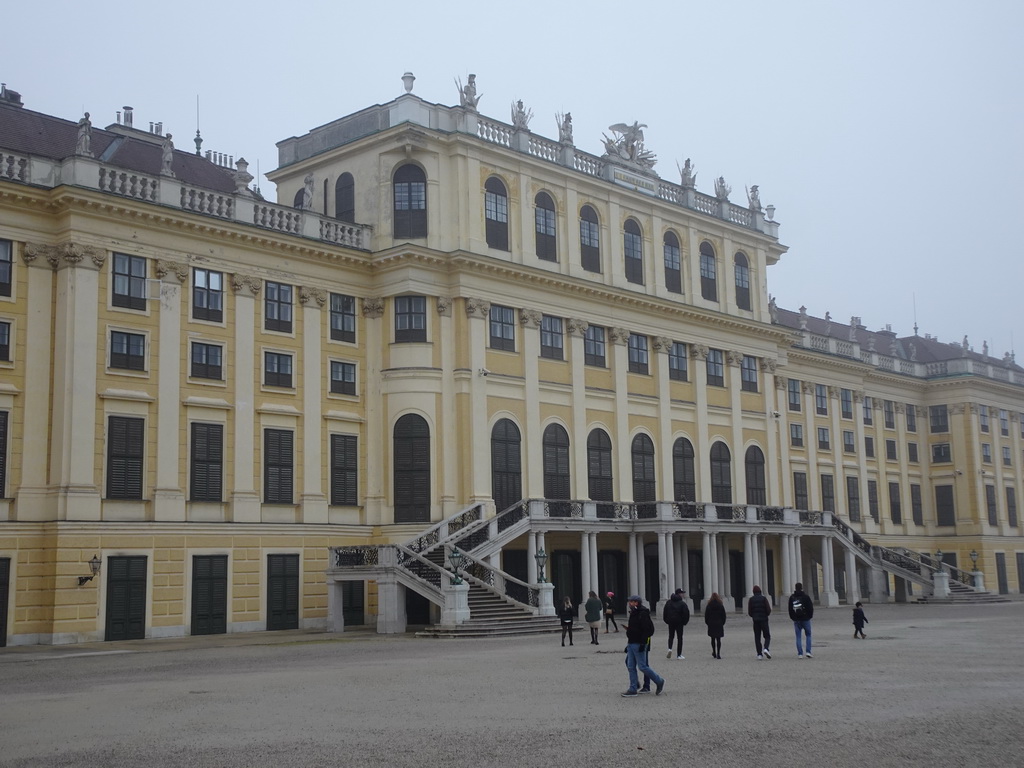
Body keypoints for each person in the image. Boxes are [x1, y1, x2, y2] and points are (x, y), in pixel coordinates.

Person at [621, 595, 665, 697]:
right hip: (632, 642)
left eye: (631, 602)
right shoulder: (634, 613)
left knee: (643, 666)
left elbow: (648, 630)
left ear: (637, 603)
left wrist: (643, 643)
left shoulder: (643, 614)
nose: (629, 603)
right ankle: (633, 688)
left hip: (638, 643)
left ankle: (659, 681)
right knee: (631, 666)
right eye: (629, 601)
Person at [788, 582, 815, 658]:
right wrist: (809, 616)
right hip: (805, 618)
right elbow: (810, 608)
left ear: (795, 588)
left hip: (796, 619)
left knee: (798, 636)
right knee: (808, 635)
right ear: (802, 588)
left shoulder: (792, 597)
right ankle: (808, 651)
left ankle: (800, 653)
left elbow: (790, 609)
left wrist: (793, 618)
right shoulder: (806, 597)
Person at [662, 588, 690, 659]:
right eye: (682, 593)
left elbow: (665, 612)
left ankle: (670, 649)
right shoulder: (682, 603)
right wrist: (684, 622)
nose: (683, 595)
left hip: (671, 622)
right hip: (679, 622)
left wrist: (667, 620)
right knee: (679, 638)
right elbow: (686, 613)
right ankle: (679, 654)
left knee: (671, 636)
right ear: (679, 594)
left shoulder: (669, 602)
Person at [747, 585, 772, 659]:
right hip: (764, 619)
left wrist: (754, 616)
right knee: (767, 636)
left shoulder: (751, 600)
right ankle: (766, 648)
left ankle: (759, 654)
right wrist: (765, 615)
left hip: (756, 620)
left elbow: (750, 611)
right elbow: (768, 609)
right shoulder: (764, 599)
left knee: (757, 637)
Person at [704, 592, 727, 659]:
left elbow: (706, 616)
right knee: (718, 639)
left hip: (711, 623)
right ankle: (718, 653)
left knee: (713, 639)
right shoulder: (720, 605)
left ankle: (714, 652)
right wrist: (722, 622)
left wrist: (708, 623)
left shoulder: (709, 606)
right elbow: (724, 616)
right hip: (719, 623)